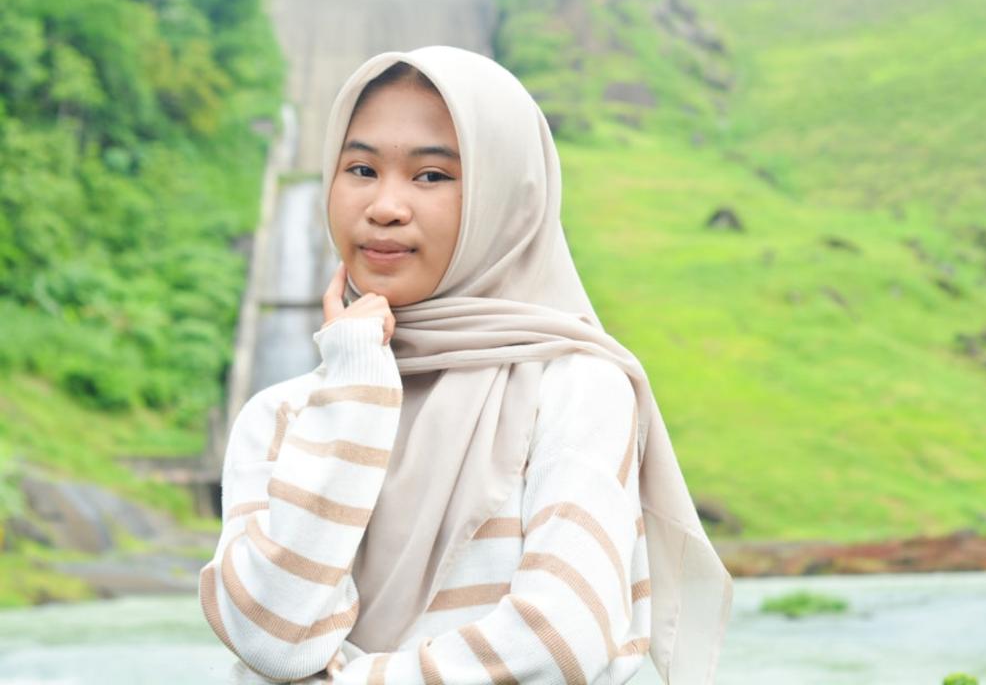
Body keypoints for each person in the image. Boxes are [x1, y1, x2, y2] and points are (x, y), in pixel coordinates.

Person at [198, 46, 733, 684]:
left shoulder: (575, 388)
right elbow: (273, 639)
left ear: (508, 196)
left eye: (431, 176)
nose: (385, 206)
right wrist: (357, 387)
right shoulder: (280, 416)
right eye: (361, 168)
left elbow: (560, 641)